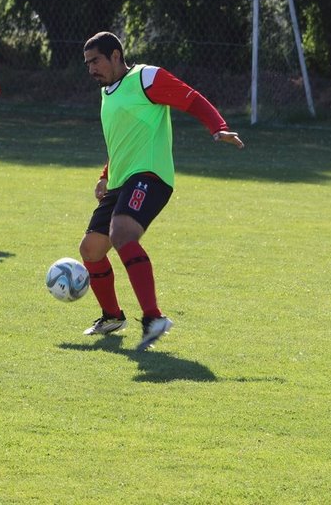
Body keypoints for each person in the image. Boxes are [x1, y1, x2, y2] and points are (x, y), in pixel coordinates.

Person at [79, 31, 244, 351]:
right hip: (119, 182)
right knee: (91, 250)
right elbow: (122, 140)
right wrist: (105, 175)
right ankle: (112, 316)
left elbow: (191, 98)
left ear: (115, 55)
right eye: (87, 64)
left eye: (95, 61)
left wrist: (218, 128)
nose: (91, 69)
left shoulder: (145, 78)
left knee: (122, 234)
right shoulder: (107, 92)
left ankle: (153, 318)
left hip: (150, 176)